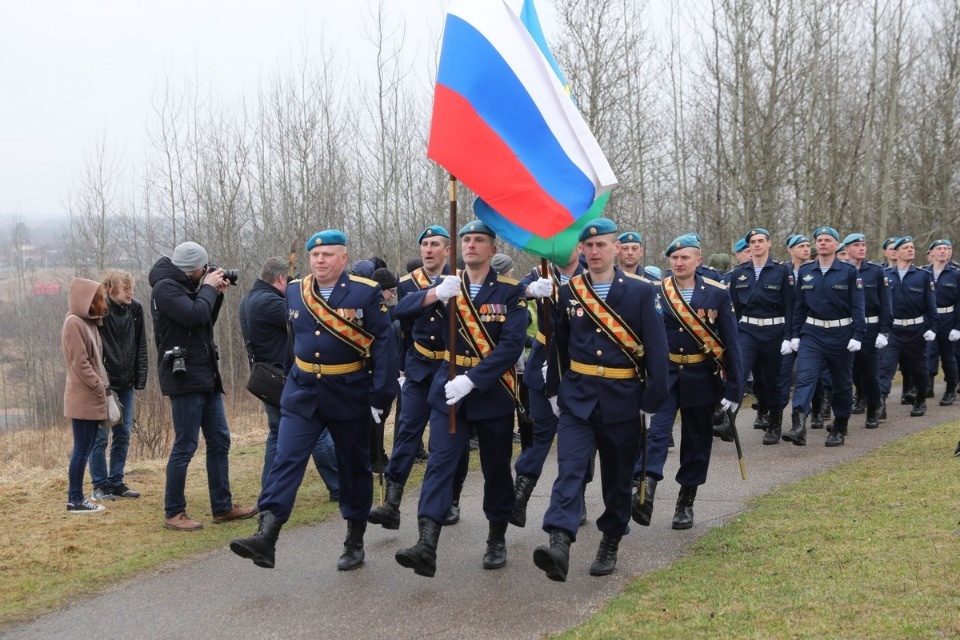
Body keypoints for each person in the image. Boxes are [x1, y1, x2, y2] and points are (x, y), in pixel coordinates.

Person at [231, 230, 398, 571]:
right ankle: (267, 534)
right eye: (315, 255)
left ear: (343, 258)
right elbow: (295, 342)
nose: (320, 260)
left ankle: (354, 539)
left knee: (353, 468)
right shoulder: (295, 291)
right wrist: (290, 380)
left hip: (350, 392)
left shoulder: (365, 293)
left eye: (328, 255)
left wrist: (380, 397)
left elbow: (384, 345)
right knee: (286, 458)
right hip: (303, 391)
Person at [533, 219, 669, 582]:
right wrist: (554, 390)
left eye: (602, 246)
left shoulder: (642, 291)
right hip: (577, 398)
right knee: (570, 469)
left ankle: (611, 538)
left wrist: (652, 401)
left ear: (616, 250)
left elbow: (657, 351)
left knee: (616, 478)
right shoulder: (569, 291)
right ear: (580, 250)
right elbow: (559, 346)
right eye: (588, 247)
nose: (594, 252)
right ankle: (559, 540)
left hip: (623, 399)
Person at [394, 220, 526, 578]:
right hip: (448, 388)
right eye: (466, 239)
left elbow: (511, 346)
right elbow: (398, 311)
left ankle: (496, 536)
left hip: (491, 390)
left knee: (495, 467)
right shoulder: (448, 286)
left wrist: (474, 380)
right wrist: (434, 295)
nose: (470, 245)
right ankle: (426, 542)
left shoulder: (510, 292)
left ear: (492, 249)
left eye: (478, 240)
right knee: (441, 462)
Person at [630, 233, 741, 533]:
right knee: (656, 433)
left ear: (698, 260)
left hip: (701, 377)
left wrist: (735, 388)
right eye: (674, 258)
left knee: (697, 441)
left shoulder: (717, 293)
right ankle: (646, 488)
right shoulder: (655, 290)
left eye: (685, 258)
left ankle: (686, 501)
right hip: (664, 375)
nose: (679, 262)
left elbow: (731, 342)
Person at [149, 241, 257, 531]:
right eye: (204, 270)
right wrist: (207, 288)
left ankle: (222, 507)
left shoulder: (187, 285)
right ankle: (174, 512)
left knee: (220, 439)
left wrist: (216, 294)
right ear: (194, 269)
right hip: (184, 377)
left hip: (205, 374)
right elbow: (194, 314)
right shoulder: (165, 288)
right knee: (185, 444)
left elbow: (203, 322)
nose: (207, 272)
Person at [368, 226, 467, 531]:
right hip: (419, 368)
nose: (428, 249)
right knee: (406, 434)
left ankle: (451, 499)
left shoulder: (463, 279)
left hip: (452, 370)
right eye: (424, 244)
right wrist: (435, 294)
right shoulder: (407, 283)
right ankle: (393, 503)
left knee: (449, 440)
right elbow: (400, 313)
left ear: (447, 250)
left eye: (435, 244)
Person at [238, 256, 339, 499]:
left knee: (276, 434)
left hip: (268, 378)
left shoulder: (249, 299)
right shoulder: (269, 302)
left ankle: (270, 492)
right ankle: (340, 486)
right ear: (281, 278)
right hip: (282, 376)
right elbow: (307, 319)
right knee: (316, 432)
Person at [510, 246, 584, 529]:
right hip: (543, 363)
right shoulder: (540, 273)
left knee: (579, 442)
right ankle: (520, 497)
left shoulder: (592, 276)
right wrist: (530, 290)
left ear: (578, 247)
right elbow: (516, 290)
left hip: (580, 366)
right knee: (538, 435)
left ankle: (576, 498)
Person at [781, 227, 866, 447]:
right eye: (819, 240)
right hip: (812, 333)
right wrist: (795, 335)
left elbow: (858, 305)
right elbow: (799, 305)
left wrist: (858, 333)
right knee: (805, 378)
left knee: (842, 383)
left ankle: (840, 425)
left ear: (837, 245)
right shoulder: (807, 271)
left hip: (841, 333)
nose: (822, 243)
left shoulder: (848, 272)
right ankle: (798, 424)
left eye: (828, 240)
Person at [726, 229, 793, 445]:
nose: (756, 245)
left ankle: (774, 424)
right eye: (752, 242)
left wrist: (789, 336)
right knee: (739, 373)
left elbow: (790, 306)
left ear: (769, 243)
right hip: (748, 331)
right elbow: (734, 308)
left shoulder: (782, 272)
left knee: (772, 380)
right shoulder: (739, 273)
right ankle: (729, 422)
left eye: (760, 241)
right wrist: (734, 335)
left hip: (774, 331)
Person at [89, 269, 147, 502]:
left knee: (123, 434)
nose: (131, 293)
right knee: (101, 437)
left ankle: (116, 482)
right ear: (111, 289)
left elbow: (141, 344)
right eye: (126, 289)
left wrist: (140, 378)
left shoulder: (136, 309)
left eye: (132, 288)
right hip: (104, 385)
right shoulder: (100, 309)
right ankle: (99, 486)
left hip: (127, 383)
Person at [62, 278, 111, 513]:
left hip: (93, 397)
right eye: (99, 299)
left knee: (87, 446)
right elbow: (80, 363)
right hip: (83, 398)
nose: (103, 303)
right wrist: (99, 386)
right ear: (87, 300)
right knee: (82, 448)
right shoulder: (74, 323)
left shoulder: (89, 324)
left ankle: (78, 498)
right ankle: (75, 499)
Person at [878, 236, 937, 418]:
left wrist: (932, 328)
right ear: (896, 252)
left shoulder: (923, 275)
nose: (911, 250)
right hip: (893, 331)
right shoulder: (885, 274)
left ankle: (920, 399)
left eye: (912, 247)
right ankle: (880, 404)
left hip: (916, 331)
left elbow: (931, 306)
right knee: (885, 368)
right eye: (906, 247)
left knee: (919, 369)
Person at [842, 233, 892, 429]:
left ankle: (874, 408)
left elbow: (886, 303)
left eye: (864, 244)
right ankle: (852, 405)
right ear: (846, 250)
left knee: (870, 372)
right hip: (846, 327)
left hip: (870, 328)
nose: (862, 248)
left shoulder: (876, 272)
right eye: (856, 245)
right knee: (849, 372)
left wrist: (884, 330)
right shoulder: (841, 271)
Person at [922, 239, 960, 406]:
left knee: (948, 356)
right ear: (931, 253)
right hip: (928, 318)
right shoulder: (923, 273)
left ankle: (951, 388)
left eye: (946, 248)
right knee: (927, 353)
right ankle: (925, 385)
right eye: (939, 248)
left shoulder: (956, 274)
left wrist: (958, 327)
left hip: (948, 317)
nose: (943, 251)